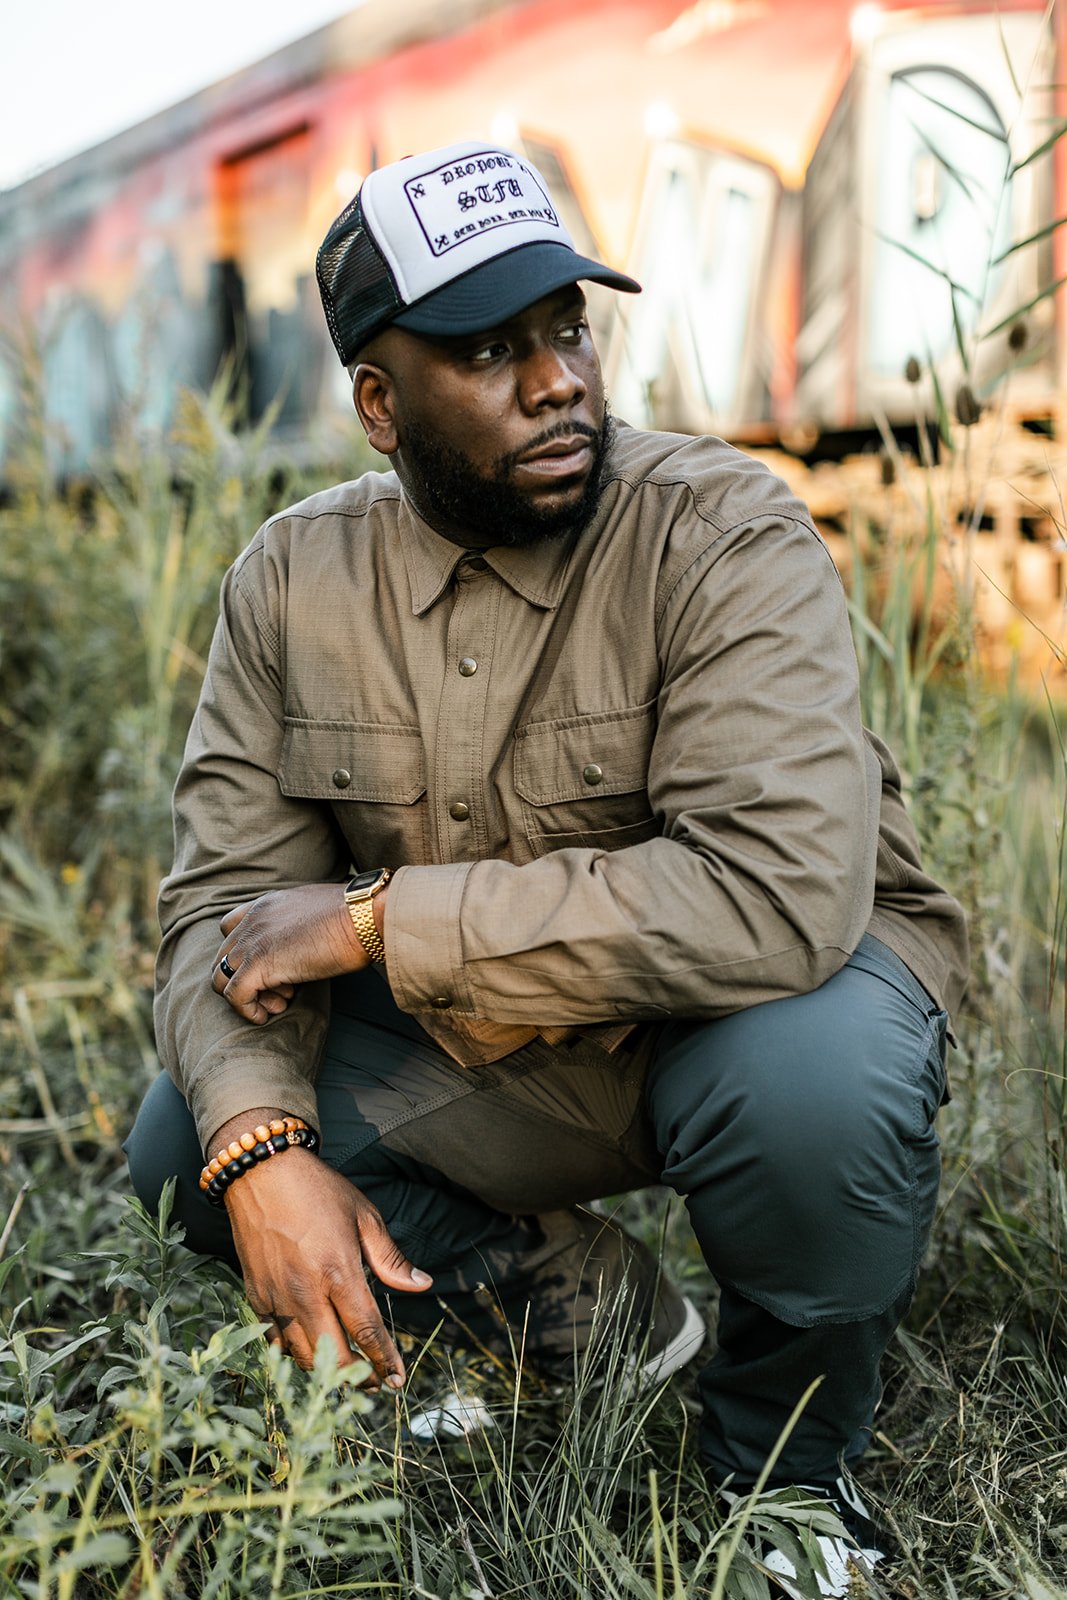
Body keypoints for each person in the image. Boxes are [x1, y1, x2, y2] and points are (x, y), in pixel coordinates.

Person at [126, 139, 968, 1597]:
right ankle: (583, 1309)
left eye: (568, 327)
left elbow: (772, 898)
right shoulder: (289, 582)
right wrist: (263, 1155)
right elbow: (220, 914)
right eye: (488, 350)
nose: (559, 378)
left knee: (813, 1102)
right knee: (185, 1148)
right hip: (508, 1052)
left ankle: (783, 1473)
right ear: (379, 406)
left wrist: (380, 922)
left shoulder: (723, 530)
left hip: (764, 1010)